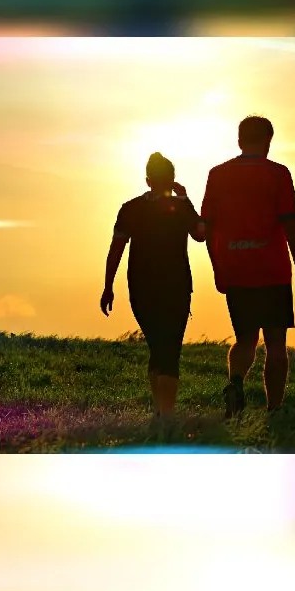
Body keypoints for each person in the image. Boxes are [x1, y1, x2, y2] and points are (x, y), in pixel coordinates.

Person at [201, 115, 295, 419]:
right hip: (273, 271)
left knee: (245, 338)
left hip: (236, 270)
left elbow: (207, 229)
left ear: (239, 140)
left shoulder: (218, 174)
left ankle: (236, 381)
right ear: (268, 140)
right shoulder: (278, 174)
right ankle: (274, 409)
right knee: (276, 343)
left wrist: (217, 267)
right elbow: (291, 224)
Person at [100, 152, 206, 423]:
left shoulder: (130, 208)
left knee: (158, 347)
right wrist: (186, 200)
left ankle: (161, 413)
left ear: (148, 180)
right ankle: (166, 415)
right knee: (169, 348)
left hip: (141, 287)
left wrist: (108, 286)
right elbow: (201, 234)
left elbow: (116, 250)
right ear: (172, 179)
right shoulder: (181, 207)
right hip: (177, 287)